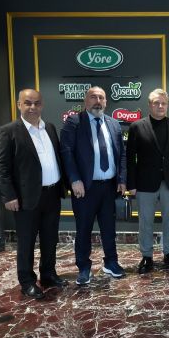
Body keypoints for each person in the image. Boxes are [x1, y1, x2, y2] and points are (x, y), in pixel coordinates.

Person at [0, 89, 67, 299]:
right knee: (26, 242)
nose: (33, 107)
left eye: (37, 103)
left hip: (52, 194)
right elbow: (0, 167)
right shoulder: (8, 131)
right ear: (19, 105)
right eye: (28, 103)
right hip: (26, 198)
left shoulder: (49, 127)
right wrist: (9, 196)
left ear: (42, 105)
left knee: (50, 239)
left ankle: (48, 274)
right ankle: (27, 281)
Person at [60, 86, 127, 285]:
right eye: (93, 97)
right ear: (85, 100)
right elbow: (66, 152)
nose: (98, 101)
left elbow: (122, 154)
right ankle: (84, 267)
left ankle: (111, 262)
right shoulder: (74, 122)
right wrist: (74, 179)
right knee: (83, 229)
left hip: (109, 187)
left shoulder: (113, 124)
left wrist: (122, 179)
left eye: (101, 97)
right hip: (85, 188)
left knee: (109, 229)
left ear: (106, 102)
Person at [126, 88, 169, 273]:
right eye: (156, 103)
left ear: (167, 105)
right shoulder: (137, 127)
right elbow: (130, 158)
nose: (160, 106)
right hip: (144, 183)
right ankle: (147, 256)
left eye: (163, 103)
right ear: (149, 105)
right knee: (145, 221)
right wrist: (131, 184)